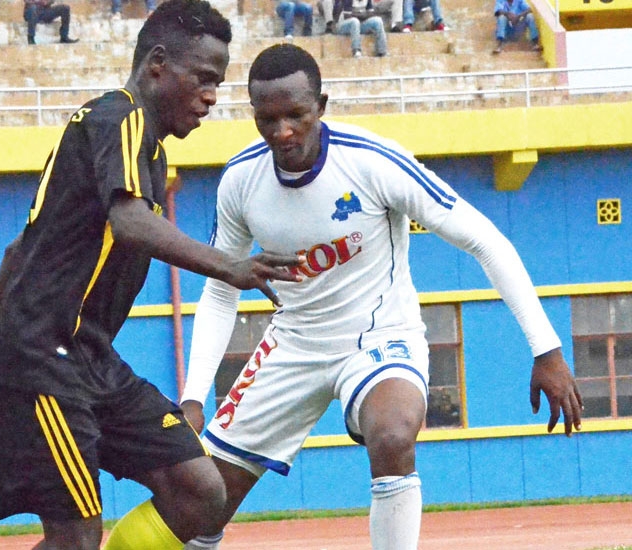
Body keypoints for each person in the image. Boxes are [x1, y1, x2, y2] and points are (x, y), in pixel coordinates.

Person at [180, 43, 583, 550]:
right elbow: (221, 291)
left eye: (296, 115)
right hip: (292, 344)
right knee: (201, 503)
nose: (282, 131)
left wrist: (547, 350)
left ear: (320, 106)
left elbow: (486, 241)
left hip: (379, 338)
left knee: (392, 436)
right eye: (268, 119)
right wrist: (194, 397)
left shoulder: (372, 162)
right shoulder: (241, 181)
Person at [0, 2, 304, 549]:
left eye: (218, 83)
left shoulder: (141, 147)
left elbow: (19, 252)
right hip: (42, 361)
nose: (212, 96)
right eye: (204, 78)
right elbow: (131, 222)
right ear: (157, 63)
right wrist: (231, 266)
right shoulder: (120, 117)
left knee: (200, 490)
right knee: (75, 538)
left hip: (89, 359)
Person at [320, 0, 387, 58]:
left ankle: (382, 51)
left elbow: (372, 13)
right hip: (342, 26)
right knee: (354, 21)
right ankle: (356, 50)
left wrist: (359, 14)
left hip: (358, 25)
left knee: (378, 20)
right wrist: (363, 15)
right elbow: (347, 16)